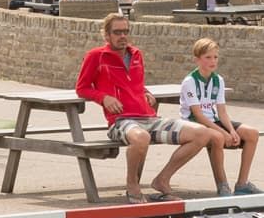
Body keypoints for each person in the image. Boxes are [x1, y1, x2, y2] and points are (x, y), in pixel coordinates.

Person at [75, 13, 217, 202]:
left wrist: (145, 91)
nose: (122, 36)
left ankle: (162, 179)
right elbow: (82, 88)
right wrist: (104, 98)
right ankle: (132, 185)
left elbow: (133, 83)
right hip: (121, 121)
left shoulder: (136, 54)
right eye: (117, 32)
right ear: (106, 35)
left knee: (202, 133)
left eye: (125, 31)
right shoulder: (96, 56)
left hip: (150, 118)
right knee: (141, 138)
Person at [179, 38, 261, 197]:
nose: (213, 61)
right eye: (208, 57)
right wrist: (224, 133)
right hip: (194, 123)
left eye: (215, 57)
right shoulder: (190, 81)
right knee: (217, 137)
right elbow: (198, 115)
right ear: (196, 59)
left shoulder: (218, 80)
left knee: (252, 133)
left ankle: (242, 184)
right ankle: (222, 184)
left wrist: (231, 130)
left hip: (213, 121)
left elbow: (222, 112)